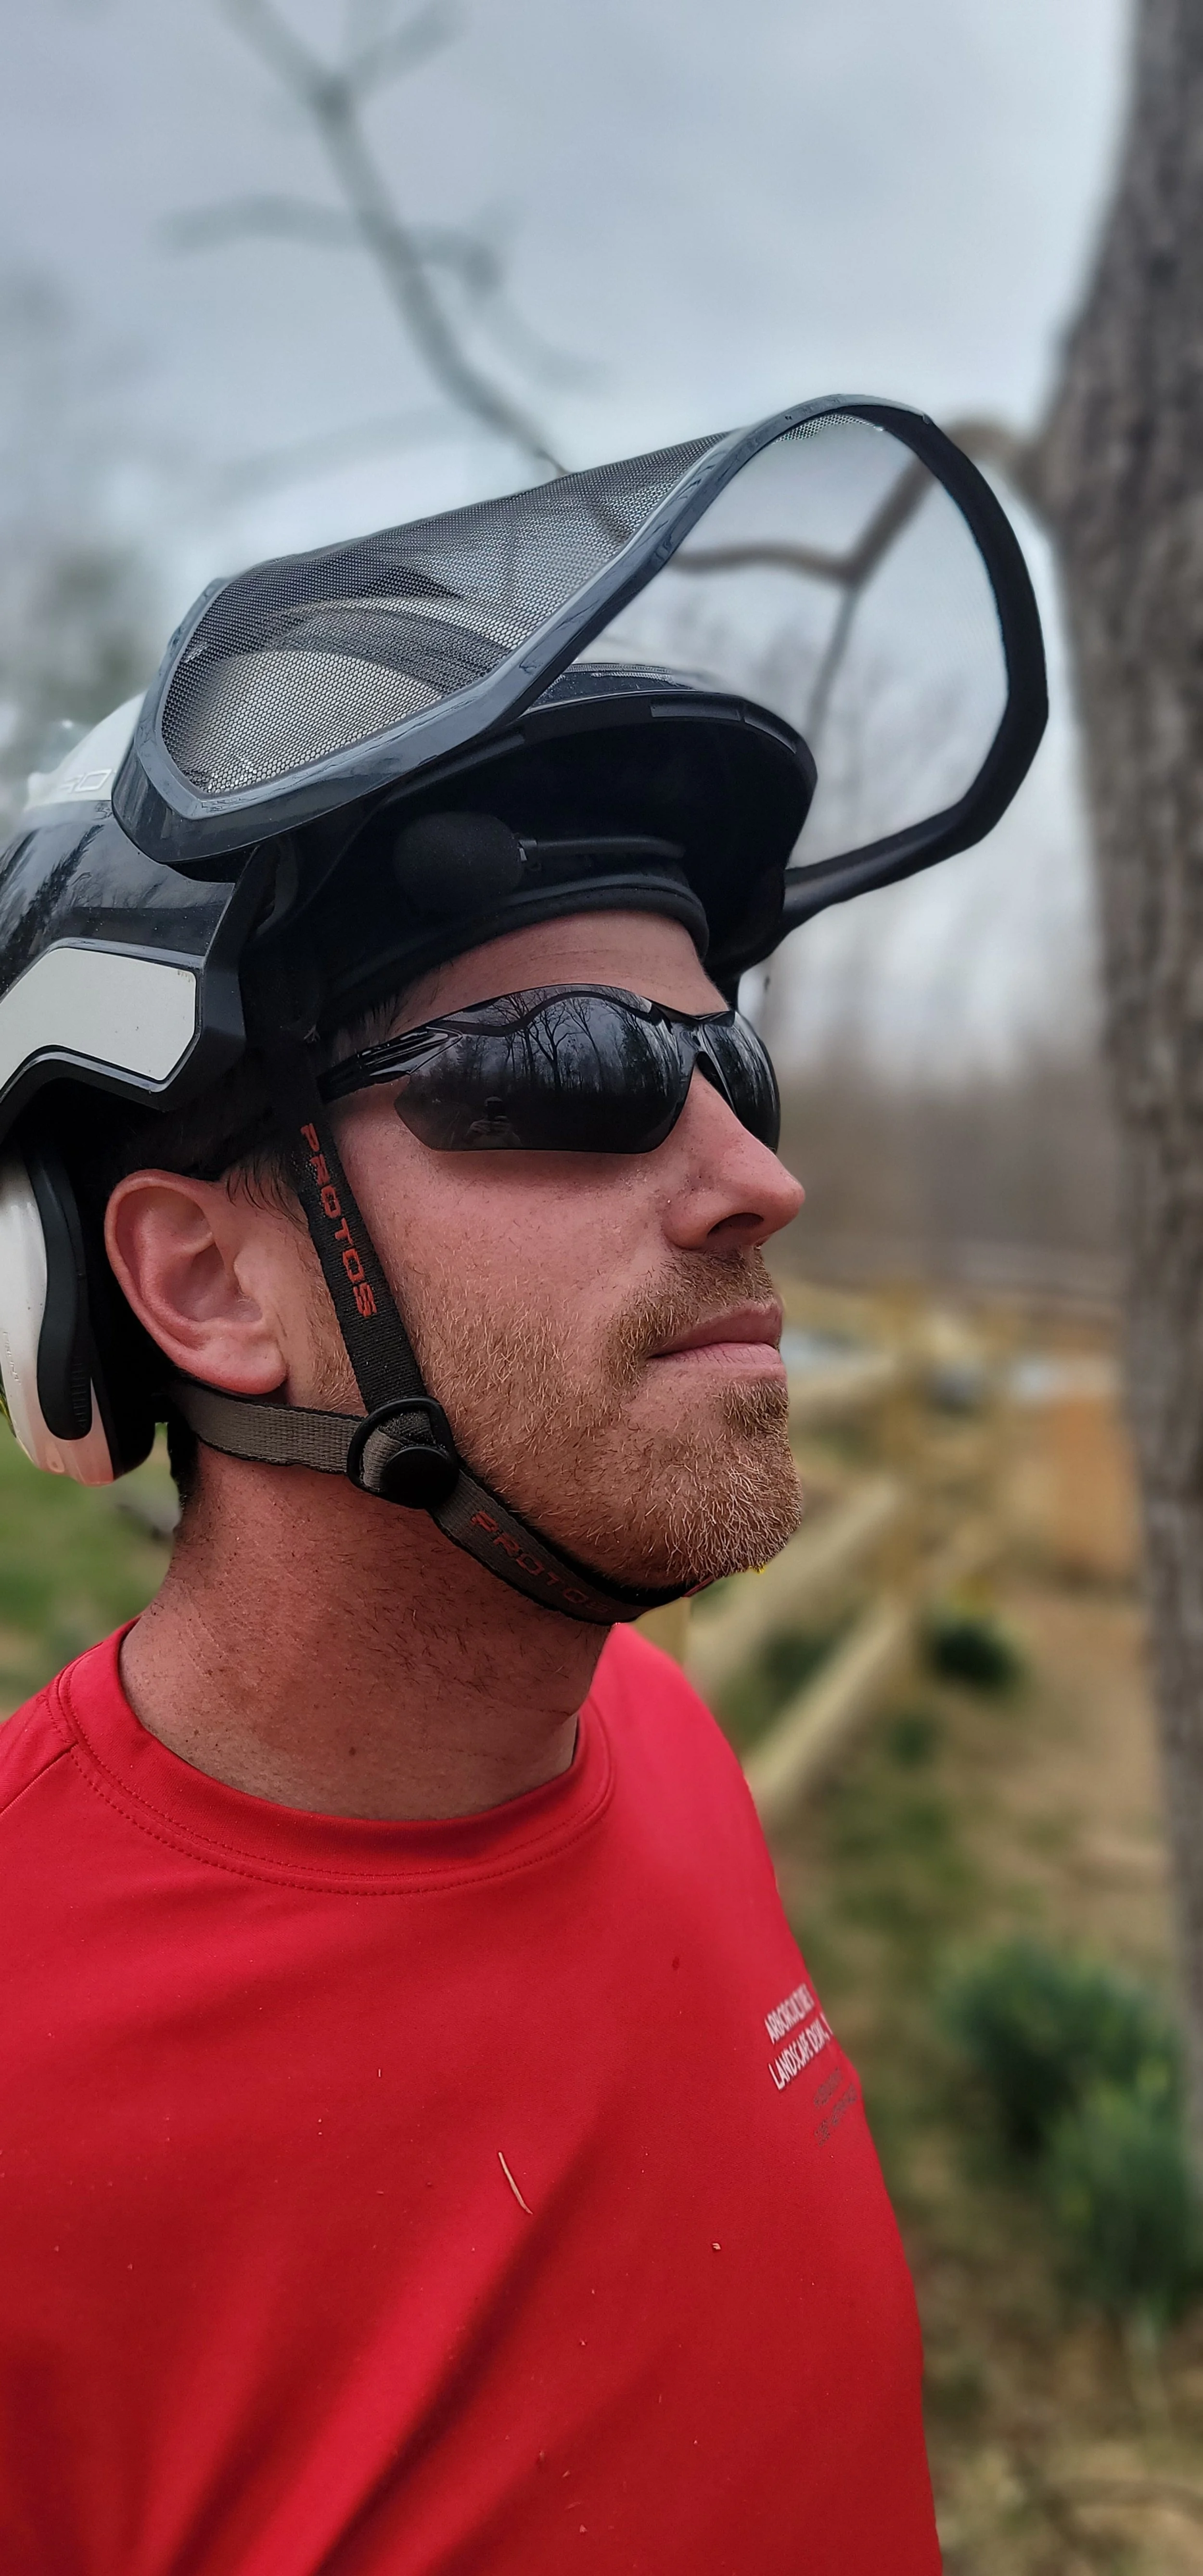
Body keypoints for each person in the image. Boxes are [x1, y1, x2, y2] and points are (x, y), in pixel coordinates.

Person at [0, 401, 1044, 2573]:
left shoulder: (650, 1743)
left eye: (721, 1055)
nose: (756, 1177)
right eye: (569, 1069)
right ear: (202, 1282)